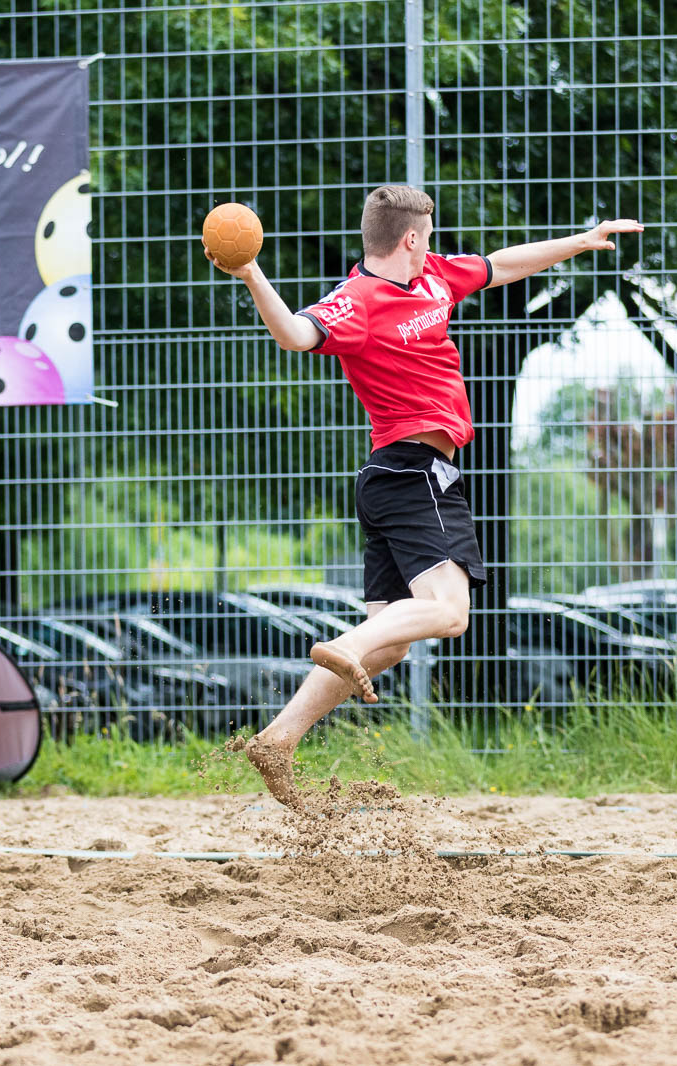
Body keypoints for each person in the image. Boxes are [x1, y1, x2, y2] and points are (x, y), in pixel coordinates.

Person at [204, 185, 641, 808]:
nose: (433, 244)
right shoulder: (355, 301)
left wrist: (579, 240)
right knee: (451, 613)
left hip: (391, 480)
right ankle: (347, 645)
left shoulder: (433, 277)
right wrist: (251, 273)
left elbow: (503, 263)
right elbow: (296, 336)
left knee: (393, 642)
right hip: (413, 473)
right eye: (429, 235)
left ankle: (279, 738)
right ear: (410, 238)